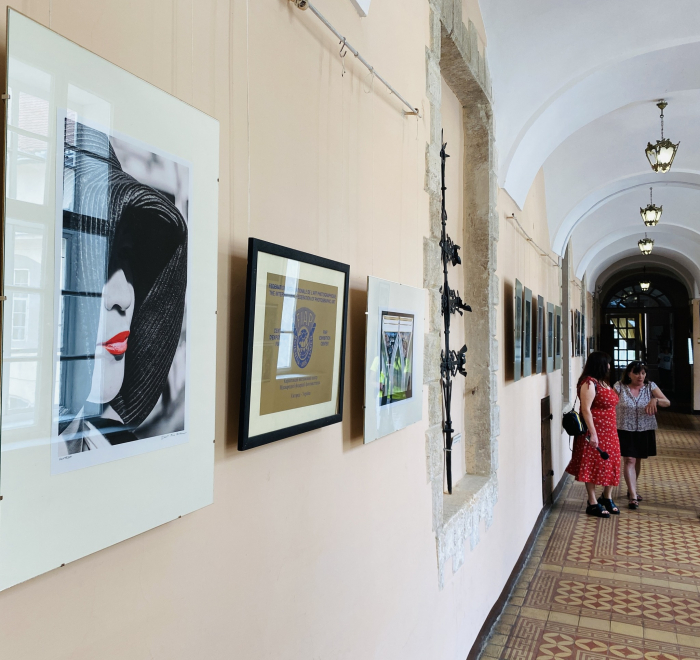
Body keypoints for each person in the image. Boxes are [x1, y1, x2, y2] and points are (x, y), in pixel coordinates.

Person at [565, 351, 622, 518]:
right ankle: (592, 502)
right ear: (600, 365)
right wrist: (594, 434)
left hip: (610, 431)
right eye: (607, 363)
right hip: (595, 431)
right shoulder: (589, 383)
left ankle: (607, 497)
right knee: (592, 464)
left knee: (611, 462)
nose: (609, 366)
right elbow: (586, 409)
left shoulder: (603, 382)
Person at [614, 361, 670, 509]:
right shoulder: (619, 387)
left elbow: (667, 402)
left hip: (645, 429)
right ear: (629, 374)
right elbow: (610, 404)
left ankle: (631, 487)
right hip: (625, 428)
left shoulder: (650, 386)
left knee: (637, 459)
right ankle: (633, 496)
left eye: (643, 373)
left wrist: (655, 400)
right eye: (636, 373)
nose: (640, 376)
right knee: (629, 459)